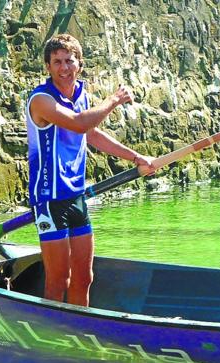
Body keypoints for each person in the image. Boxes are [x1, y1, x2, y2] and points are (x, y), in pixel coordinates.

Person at [26, 34, 155, 306]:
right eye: (57, 62)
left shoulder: (81, 97)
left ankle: (79, 330)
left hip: (76, 196)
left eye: (69, 61)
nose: (64, 68)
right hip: (50, 200)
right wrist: (113, 100)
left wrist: (136, 157)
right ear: (48, 67)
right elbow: (78, 124)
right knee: (58, 280)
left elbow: (92, 134)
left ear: (79, 65)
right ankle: (52, 333)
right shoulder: (41, 99)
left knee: (84, 277)